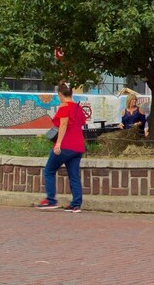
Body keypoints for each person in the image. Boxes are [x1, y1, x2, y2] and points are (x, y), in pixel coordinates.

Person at [36, 82, 86, 212]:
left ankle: (51, 200)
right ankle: (76, 204)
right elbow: (81, 123)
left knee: (49, 170)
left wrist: (58, 143)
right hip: (78, 146)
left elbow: (63, 125)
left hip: (65, 145)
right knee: (74, 176)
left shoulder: (64, 106)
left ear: (60, 94)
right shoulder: (78, 108)